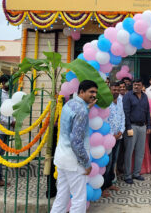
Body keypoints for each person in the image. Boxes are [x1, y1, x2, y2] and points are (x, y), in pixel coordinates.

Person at [51, 80, 98, 213]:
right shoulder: (82, 110)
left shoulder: (69, 104)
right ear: (81, 92)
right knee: (78, 200)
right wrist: (86, 163)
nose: (94, 95)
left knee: (61, 198)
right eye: (91, 92)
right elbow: (76, 141)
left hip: (61, 159)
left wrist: (88, 107)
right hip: (74, 162)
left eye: (95, 92)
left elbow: (75, 118)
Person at [122, 78, 151, 184]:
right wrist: (128, 127)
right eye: (134, 85)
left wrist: (148, 126)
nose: (136, 86)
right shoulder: (128, 96)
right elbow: (126, 113)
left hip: (143, 127)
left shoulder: (145, 96)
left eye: (138, 85)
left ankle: (136, 173)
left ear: (142, 86)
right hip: (131, 127)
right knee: (129, 152)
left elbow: (148, 112)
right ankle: (127, 175)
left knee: (140, 151)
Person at [101, 82, 125, 198]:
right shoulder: (106, 102)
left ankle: (110, 183)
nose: (115, 91)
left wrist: (121, 130)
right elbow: (103, 120)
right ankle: (103, 187)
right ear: (110, 90)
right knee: (108, 163)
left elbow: (122, 116)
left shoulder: (120, 100)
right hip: (108, 139)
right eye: (113, 89)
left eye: (117, 89)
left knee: (114, 161)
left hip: (118, 137)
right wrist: (111, 135)